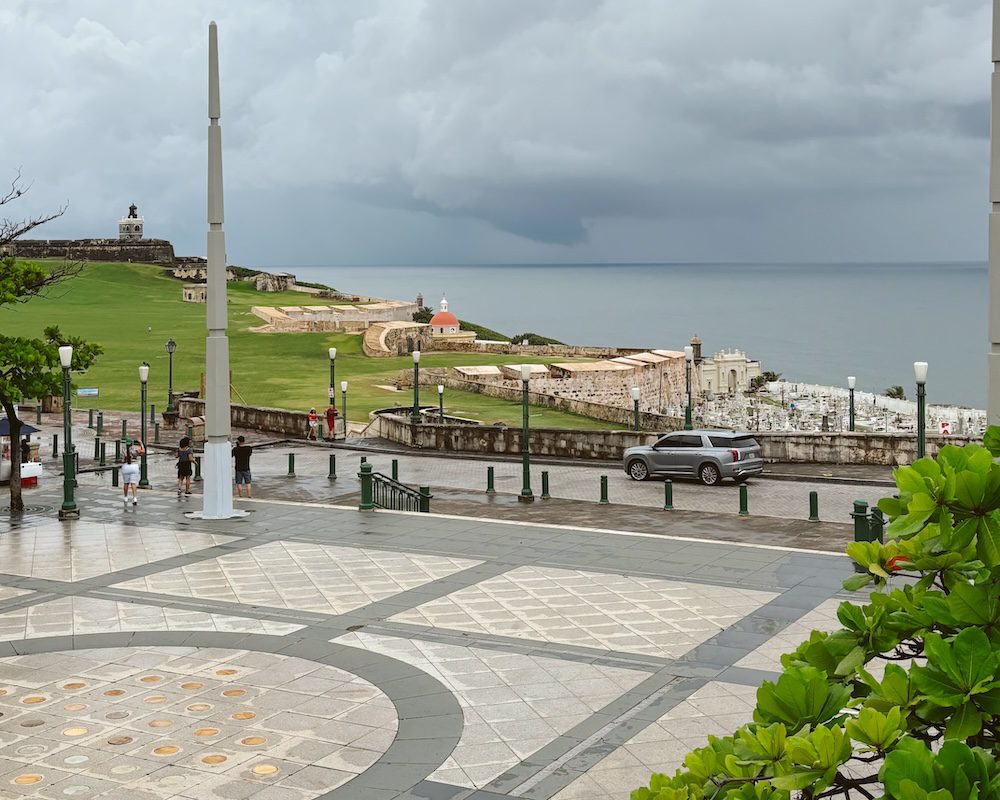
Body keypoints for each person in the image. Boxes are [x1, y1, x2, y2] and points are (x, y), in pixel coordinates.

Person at [121, 438, 143, 508]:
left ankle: (125, 497)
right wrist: (141, 443)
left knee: (126, 483)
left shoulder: (124, 450)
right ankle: (135, 498)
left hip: (126, 467)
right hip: (134, 466)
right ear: (132, 444)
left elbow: (122, 460)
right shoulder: (135, 450)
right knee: (133, 483)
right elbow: (143, 451)